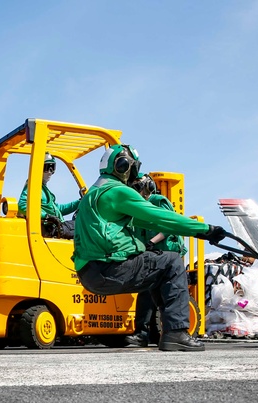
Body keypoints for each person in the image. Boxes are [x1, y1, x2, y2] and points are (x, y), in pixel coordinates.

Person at [73, 144, 225, 352]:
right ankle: (176, 333)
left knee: (154, 268)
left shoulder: (93, 195)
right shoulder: (117, 191)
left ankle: (151, 332)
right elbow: (160, 217)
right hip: (109, 268)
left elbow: (148, 223)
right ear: (124, 166)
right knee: (171, 262)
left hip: (89, 273)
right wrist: (204, 229)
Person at [127, 175, 188, 347]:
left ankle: (164, 333)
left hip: (166, 253)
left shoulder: (158, 201)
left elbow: (169, 225)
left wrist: (151, 243)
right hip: (152, 255)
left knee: (167, 293)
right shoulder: (135, 207)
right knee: (147, 292)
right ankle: (146, 334)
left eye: (138, 187)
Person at [17, 152, 80, 238]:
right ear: (38, 168)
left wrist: (79, 202)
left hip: (56, 226)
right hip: (51, 229)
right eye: (47, 168)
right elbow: (22, 205)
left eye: (52, 168)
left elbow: (57, 209)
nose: (50, 172)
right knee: (86, 225)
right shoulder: (33, 186)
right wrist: (46, 216)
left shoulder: (42, 189)